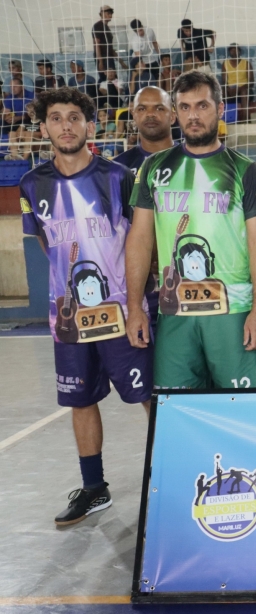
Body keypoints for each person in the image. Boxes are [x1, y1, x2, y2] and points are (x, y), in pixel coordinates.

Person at [19, 87, 153, 525]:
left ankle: (170, 474)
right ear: (44, 128)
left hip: (123, 312)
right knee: (80, 400)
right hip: (70, 319)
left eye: (74, 117)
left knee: (148, 396)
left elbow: (142, 241)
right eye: (56, 118)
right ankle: (94, 488)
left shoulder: (118, 177)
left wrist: (136, 304)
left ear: (90, 126)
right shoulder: (32, 184)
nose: (66, 126)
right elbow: (46, 243)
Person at [126, 71, 256, 390]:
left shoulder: (245, 169)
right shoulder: (153, 168)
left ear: (220, 109)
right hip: (174, 311)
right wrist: (134, 307)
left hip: (232, 310)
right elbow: (139, 238)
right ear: (175, 114)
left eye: (202, 106)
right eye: (185, 107)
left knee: (242, 408)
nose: (193, 115)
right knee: (177, 407)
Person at [114, 87, 178, 336]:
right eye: (142, 108)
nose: (150, 114)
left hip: (185, 278)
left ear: (173, 115)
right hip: (136, 284)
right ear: (133, 115)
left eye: (159, 108)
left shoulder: (193, 161)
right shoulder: (117, 170)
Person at [92, 5, 126, 80]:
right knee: (108, 80)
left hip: (109, 58)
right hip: (104, 59)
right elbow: (97, 45)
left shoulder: (106, 27)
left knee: (113, 80)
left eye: (111, 13)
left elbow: (110, 48)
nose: (110, 15)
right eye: (108, 13)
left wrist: (121, 62)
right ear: (102, 14)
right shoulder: (97, 26)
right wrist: (100, 61)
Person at [222, 44, 254, 120]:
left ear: (239, 51)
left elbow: (251, 82)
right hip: (231, 91)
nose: (234, 51)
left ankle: (246, 120)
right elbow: (223, 82)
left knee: (244, 91)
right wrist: (228, 88)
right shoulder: (225, 63)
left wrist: (239, 88)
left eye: (236, 50)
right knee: (221, 92)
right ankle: (224, 120)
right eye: (232, 50)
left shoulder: (246, 63)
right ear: (229, 52)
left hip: (244, 90)